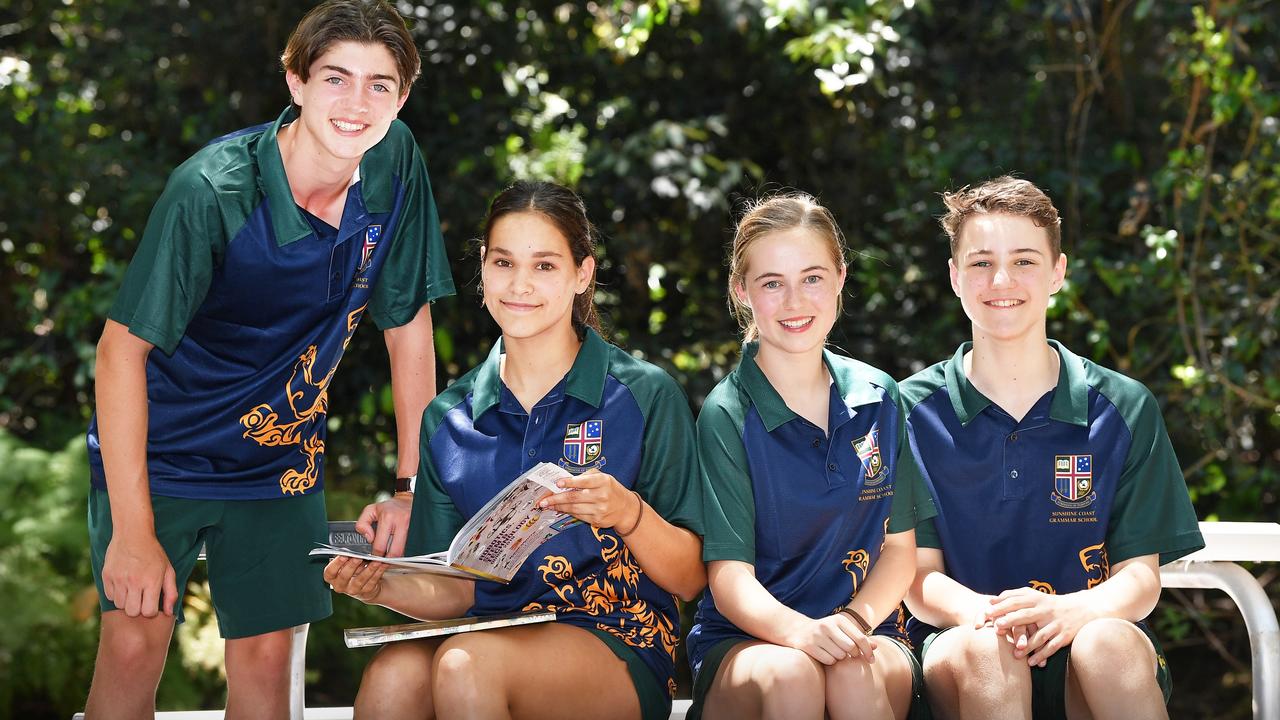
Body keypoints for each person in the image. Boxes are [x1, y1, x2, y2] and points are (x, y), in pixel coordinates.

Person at [83, 2, 453, 717]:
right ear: (295, 82)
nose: (356, 103)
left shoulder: (396, 160)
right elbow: (118, 352)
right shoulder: (213, 192)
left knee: (267, 660)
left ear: (403, 97)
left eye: (380, 84)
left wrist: (411, 487)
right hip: (162, 451)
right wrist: (132, 533)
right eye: (336, 78)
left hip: (279, 457)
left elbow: (408, 326)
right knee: (134, 644)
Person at [325, 180, 706, 720]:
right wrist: (379, 583)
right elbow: (452, 590)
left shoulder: (643, 395)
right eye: (503, 262)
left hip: (615, 640)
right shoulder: (448, 418)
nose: (520, 285)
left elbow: (691, 577)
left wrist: (629, 513)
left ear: (583, 274)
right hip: (483, 626)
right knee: (394, 675)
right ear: (482, 267)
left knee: (466, 663)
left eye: (545, 266)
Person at [901, 176, 1205, 720]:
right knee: (987, 654)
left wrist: (1069, 612)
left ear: (1058, 272)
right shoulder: (907, 412)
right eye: (980, 262)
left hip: (1086, 641)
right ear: (953, 276)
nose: (1001, 280)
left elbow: (1141, 577)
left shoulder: (1124, 406)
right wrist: (996, 618)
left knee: (1108, 643)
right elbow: (919, 579)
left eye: (1024, 261)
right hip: (965, 648)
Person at [685, 194, 936, 720]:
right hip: (750, 642)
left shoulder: (880, 397)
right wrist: (801, 633)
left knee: (850, 673)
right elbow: (730, 580)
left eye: (812, 278)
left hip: (867, 627)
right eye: (772, 283)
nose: (795, 301)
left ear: (841, 277)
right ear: (742, 291)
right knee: (794, 675)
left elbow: (898, 551)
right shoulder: (727, 413)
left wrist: (853, 621)